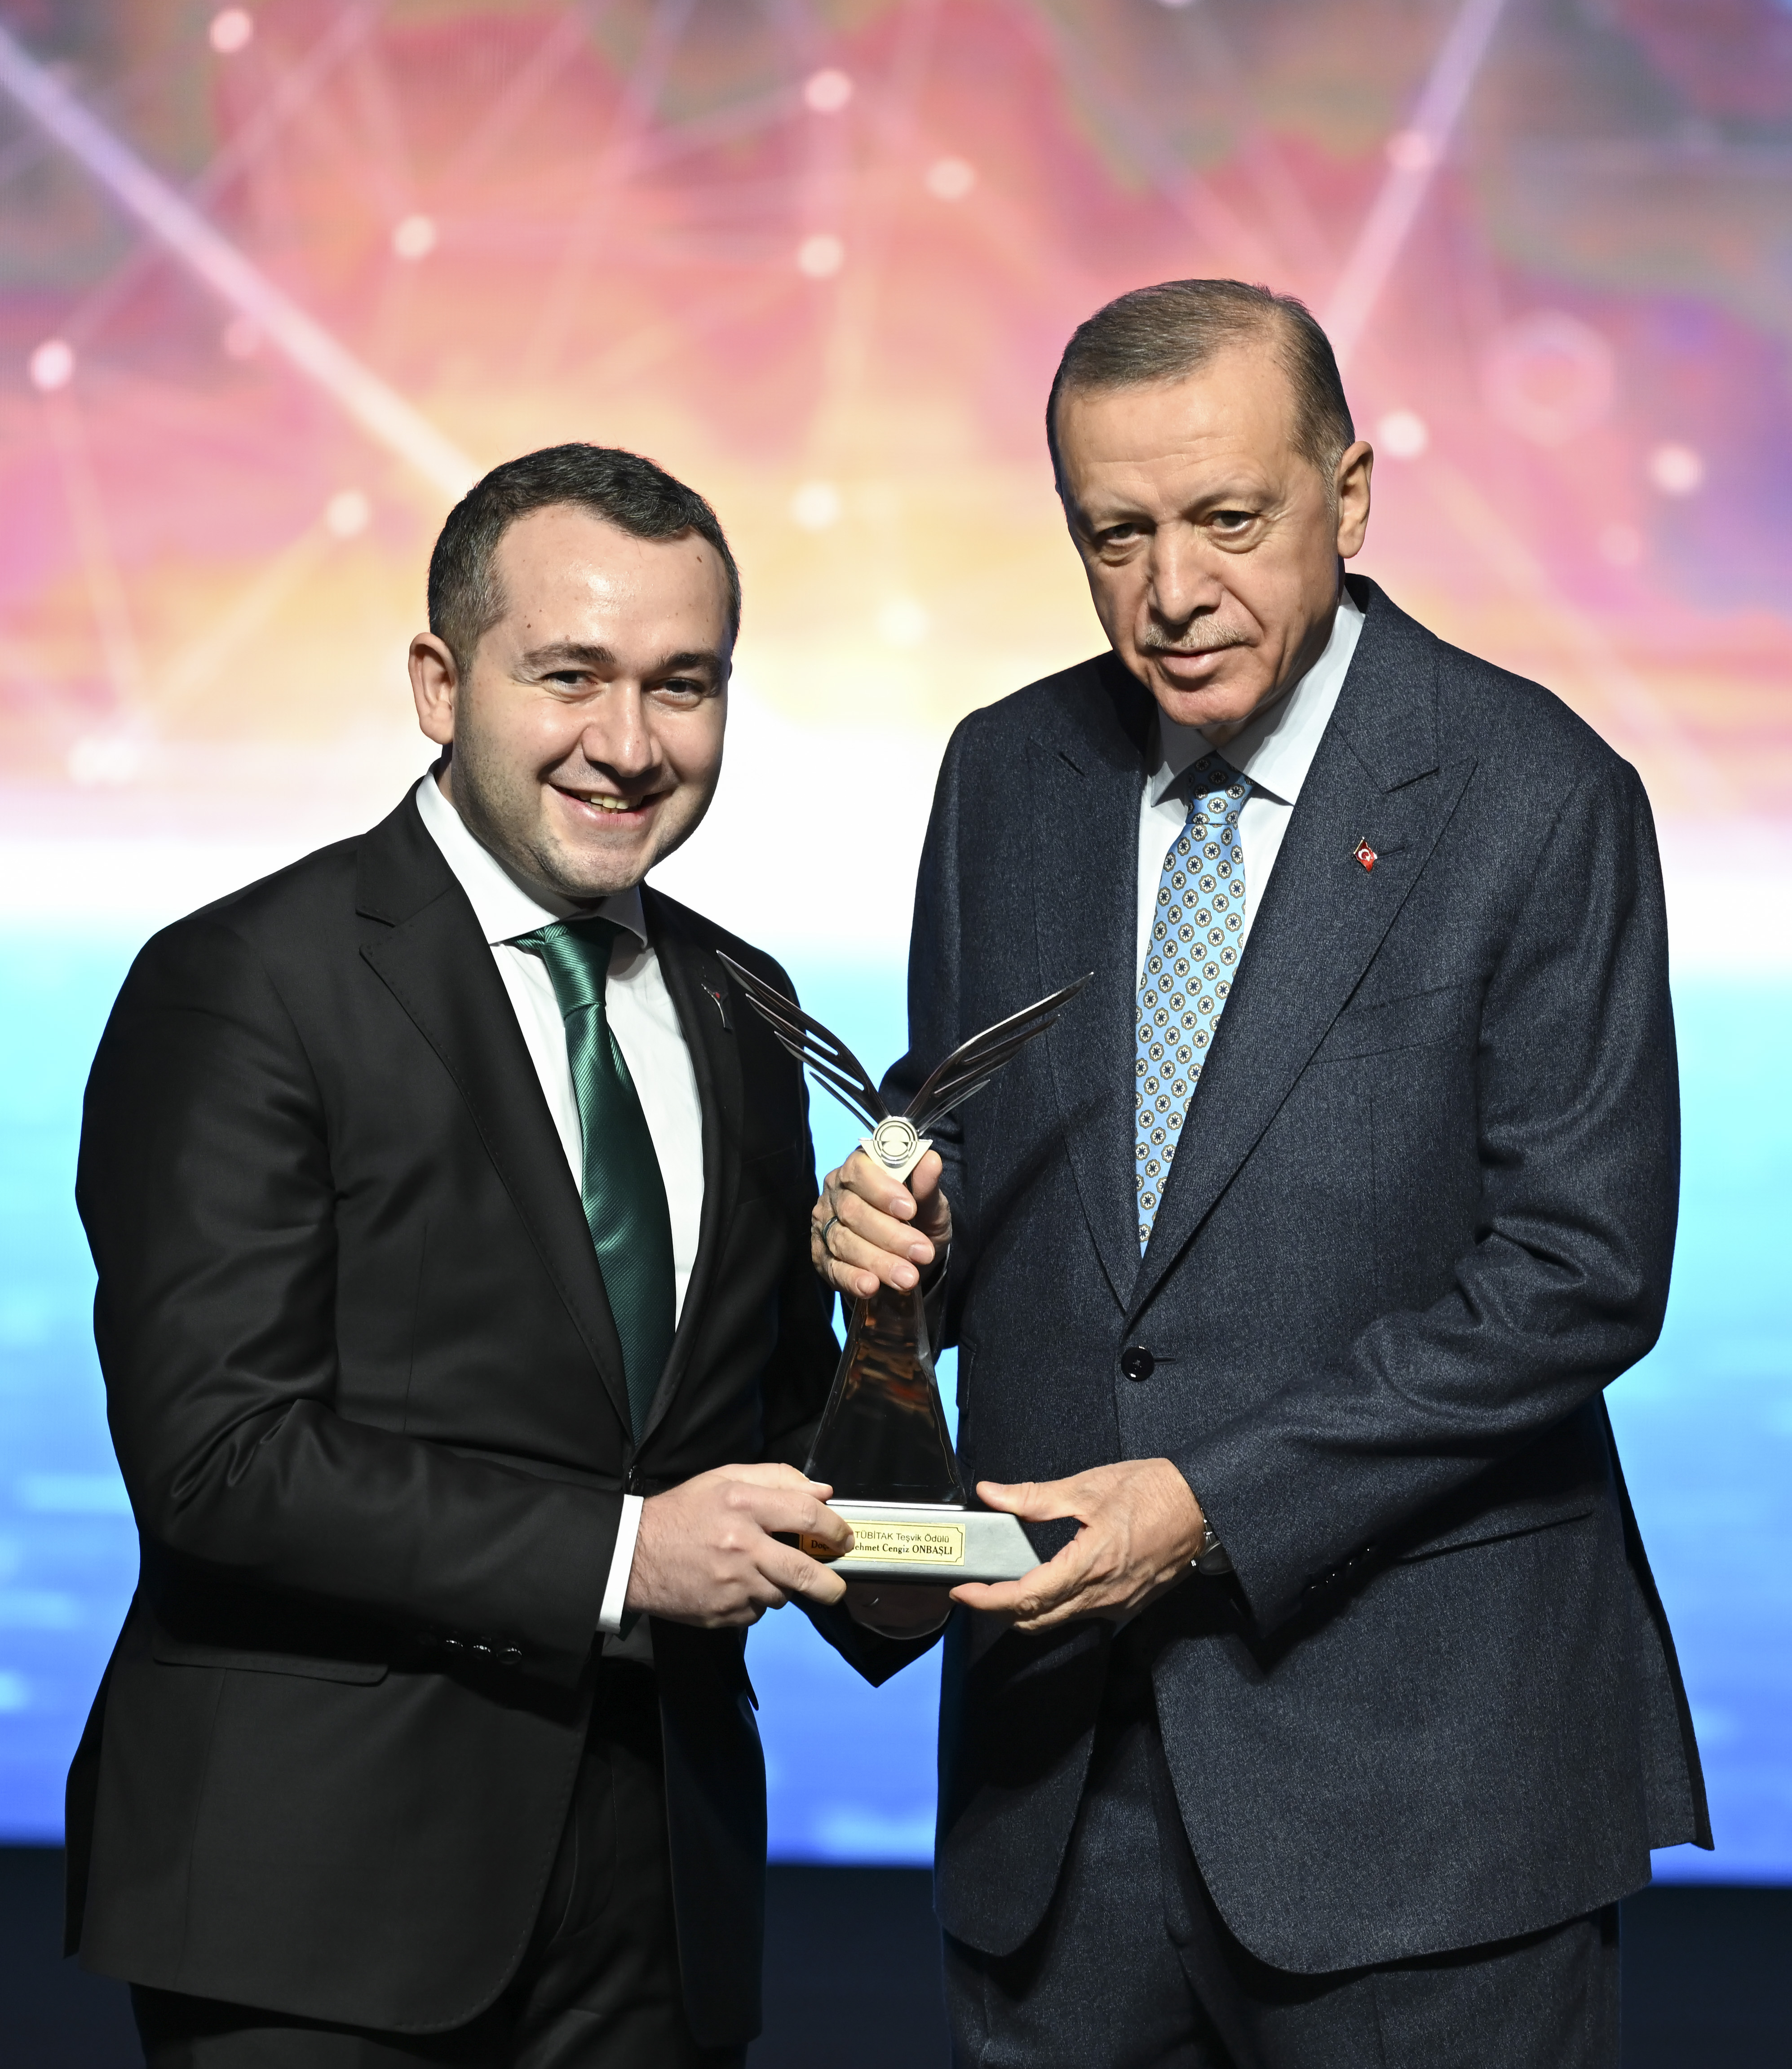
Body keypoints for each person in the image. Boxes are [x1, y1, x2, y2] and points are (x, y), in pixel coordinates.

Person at [818, 280, 1708, 2068]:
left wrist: (1211, 1502)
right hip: (1052, 1786)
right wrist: (900, 1219)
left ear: (1348, 496)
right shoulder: (1004, 775)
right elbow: (970, 1126)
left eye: (1228, 519)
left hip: (1417, 1791)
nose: (1170, 589)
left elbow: (1580, 1269)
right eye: (1115, 534)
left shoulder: (1537, 792)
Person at [67, 443, 858, 2068]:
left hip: (659, 1898)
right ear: (440, 684)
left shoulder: (746, 1005)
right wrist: (626, 1557)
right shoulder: (244, 983)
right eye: (569, 676)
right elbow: (220, 1462)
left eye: (683, 685)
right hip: (317, 1899)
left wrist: (908, 1353)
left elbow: (772, 1430)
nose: (629, 744)